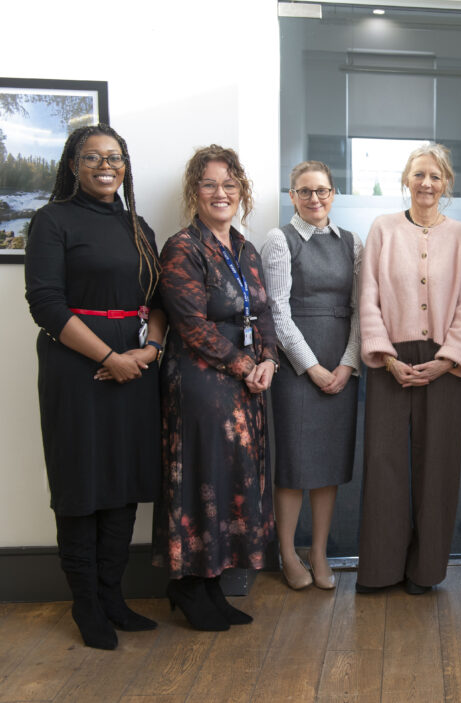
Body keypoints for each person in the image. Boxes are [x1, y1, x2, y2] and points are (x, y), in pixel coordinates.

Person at [25, 124, 164, 650]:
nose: (106, 165)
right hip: (77, 369)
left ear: (126, 165)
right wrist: (108, 356)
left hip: (135, 368)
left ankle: (113, 597)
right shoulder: (52, 220)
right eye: (93, 157)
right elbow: (46, 304)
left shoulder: (138, 225)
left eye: (115, 157)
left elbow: (159, 301)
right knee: (82, 486)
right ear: (73, 165)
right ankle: (86, 606)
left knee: (123, 483)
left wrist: (147, 352)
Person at [153, 145, 279, 630]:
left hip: (247, 382)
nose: (220, 192)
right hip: (201, 384)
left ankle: (213, 585)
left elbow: (263, 312)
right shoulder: (182, 247)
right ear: (195, 192)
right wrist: (246, 364)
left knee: (231, 483)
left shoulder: (245, 248)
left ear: (241, 190)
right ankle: (187, 585)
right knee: (202, 480)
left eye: (229, 184)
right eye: (209, 184)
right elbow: (190, 325)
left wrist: (267, 358)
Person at [356, 143, 461, 594]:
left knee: (438, 466)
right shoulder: (383, 229)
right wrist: (386, 356)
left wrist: (447, 360)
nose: (426, 184)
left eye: (435, 176)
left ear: (445, 183)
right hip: (389, 357)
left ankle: (425, 571)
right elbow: (366, 297)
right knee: (384, 463)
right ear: (405, 180)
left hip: (442, 362)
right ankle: (381, 569)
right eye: (418, 175)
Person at [261, 161, 362, 591]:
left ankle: (318, 552)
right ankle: (287, 553)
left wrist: (348, 363)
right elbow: (276, 312)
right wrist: (313, 367)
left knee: (329, 465)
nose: (314, 198)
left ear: (334, 193)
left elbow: (362, 308)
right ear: (292, 196)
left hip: (342, 365)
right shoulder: (279, 241)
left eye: (321, 190)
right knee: (294, 464)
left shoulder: (352, 243)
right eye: (304, 191)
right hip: (297, 369)